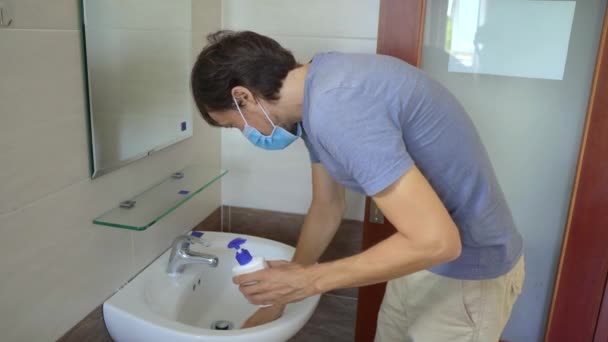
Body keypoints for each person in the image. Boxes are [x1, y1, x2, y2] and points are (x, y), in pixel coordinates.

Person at [190, 30, 524, 341]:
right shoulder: (315, 98)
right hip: (417, 258)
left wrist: (308, 281)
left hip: (467, 274)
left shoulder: (337, 105)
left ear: (243, 97)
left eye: (234, 125)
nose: (245, 133)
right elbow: (327, 207)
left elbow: (439, 241)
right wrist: (283, 293)